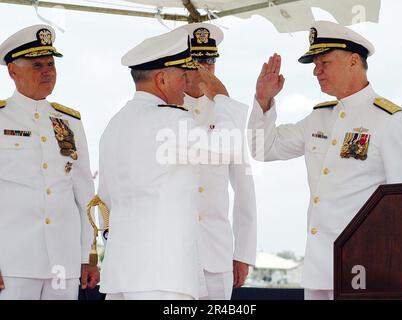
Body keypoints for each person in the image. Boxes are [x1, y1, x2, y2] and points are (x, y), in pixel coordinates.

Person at [248, 20, 402, 300]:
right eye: (315, 64)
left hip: (368, 272)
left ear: (354, 61)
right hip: (320, 269)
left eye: (324, 62)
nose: (317, 71)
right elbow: (262, 149)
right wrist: (263, 101)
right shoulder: (319, 117)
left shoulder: (390, 121)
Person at [96, 28, 248, 300]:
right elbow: (228, 145)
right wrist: (223, 98)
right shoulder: (168, 121)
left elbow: (105, 200)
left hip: (121, 275)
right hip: (162, 278)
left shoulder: (115, 124)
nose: (188, 83)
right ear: (162, 78)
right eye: (183, 75)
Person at [0, 24, 99, 300]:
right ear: (12, 71)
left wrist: (88, 256)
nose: (47, 71)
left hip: (63, 261)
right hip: (13, 261)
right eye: (37, 65)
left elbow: (85, 195)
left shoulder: (70, 122)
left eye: (51, 64)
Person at [179, 23, 257, 300]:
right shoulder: (168, 113)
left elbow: (244, 189)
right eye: (197, 60)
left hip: (218, 253)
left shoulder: (227, 117)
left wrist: (243, 253)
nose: (206, 67)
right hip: (176, 252)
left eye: (210, 60)